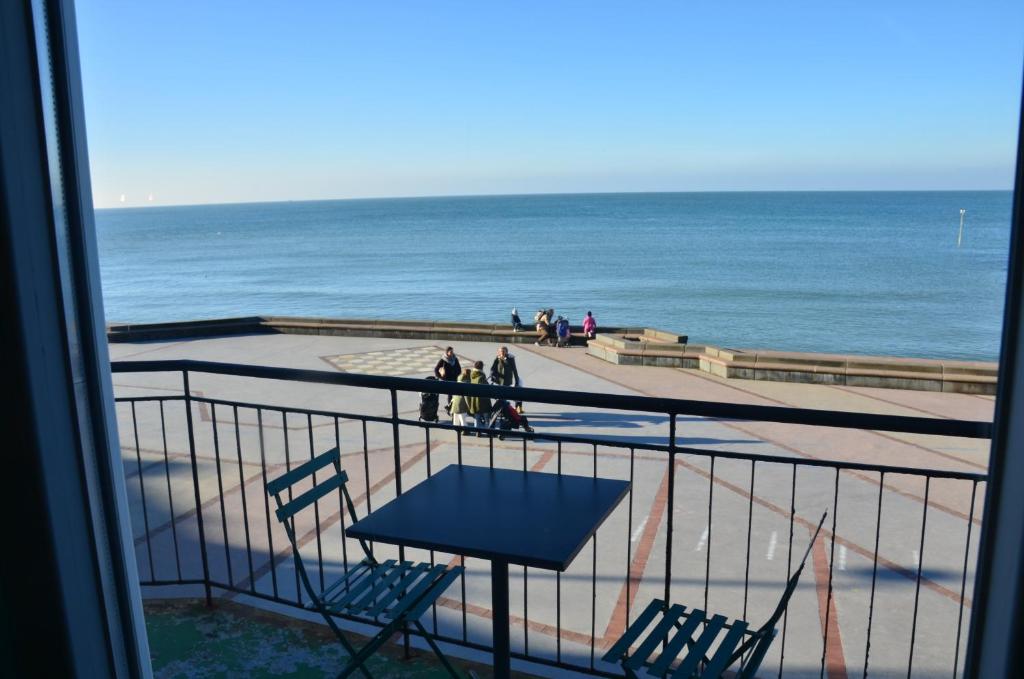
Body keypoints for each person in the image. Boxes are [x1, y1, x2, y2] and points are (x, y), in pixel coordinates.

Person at [490, 346, 523, 411]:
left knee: (506, 395)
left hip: (507, 380)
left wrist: (516, 381)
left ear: (506, 352)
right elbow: (493, 367)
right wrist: (492, 373)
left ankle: (516, 405)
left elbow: (514, 370)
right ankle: (502, 408)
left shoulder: (510, 358)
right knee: (501, 395)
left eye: (503, 351)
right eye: (500, 351)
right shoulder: (497, 358)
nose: (501, 353)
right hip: (499, 380)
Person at [466, 360, 492, 429]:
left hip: (474, 399)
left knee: (477, 417)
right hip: (483, 401)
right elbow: (486, 388)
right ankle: (487, 431)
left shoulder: (472, 374)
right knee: (486, 417)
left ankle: (477, 431)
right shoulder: (481, 377)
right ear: (481, 368)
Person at [433, 346, 461, 412]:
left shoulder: (455, 359)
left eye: (452, 351)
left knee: (455, 394)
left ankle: (453, 406)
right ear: (447, 352)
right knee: (450, 394)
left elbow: (459, 368)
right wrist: (441, 377)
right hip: (448, 379)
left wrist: (457, 374)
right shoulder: (443, 360)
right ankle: (450, 408)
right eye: (450, 352)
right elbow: (436, 369)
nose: (452, 353)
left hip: (454, 379)